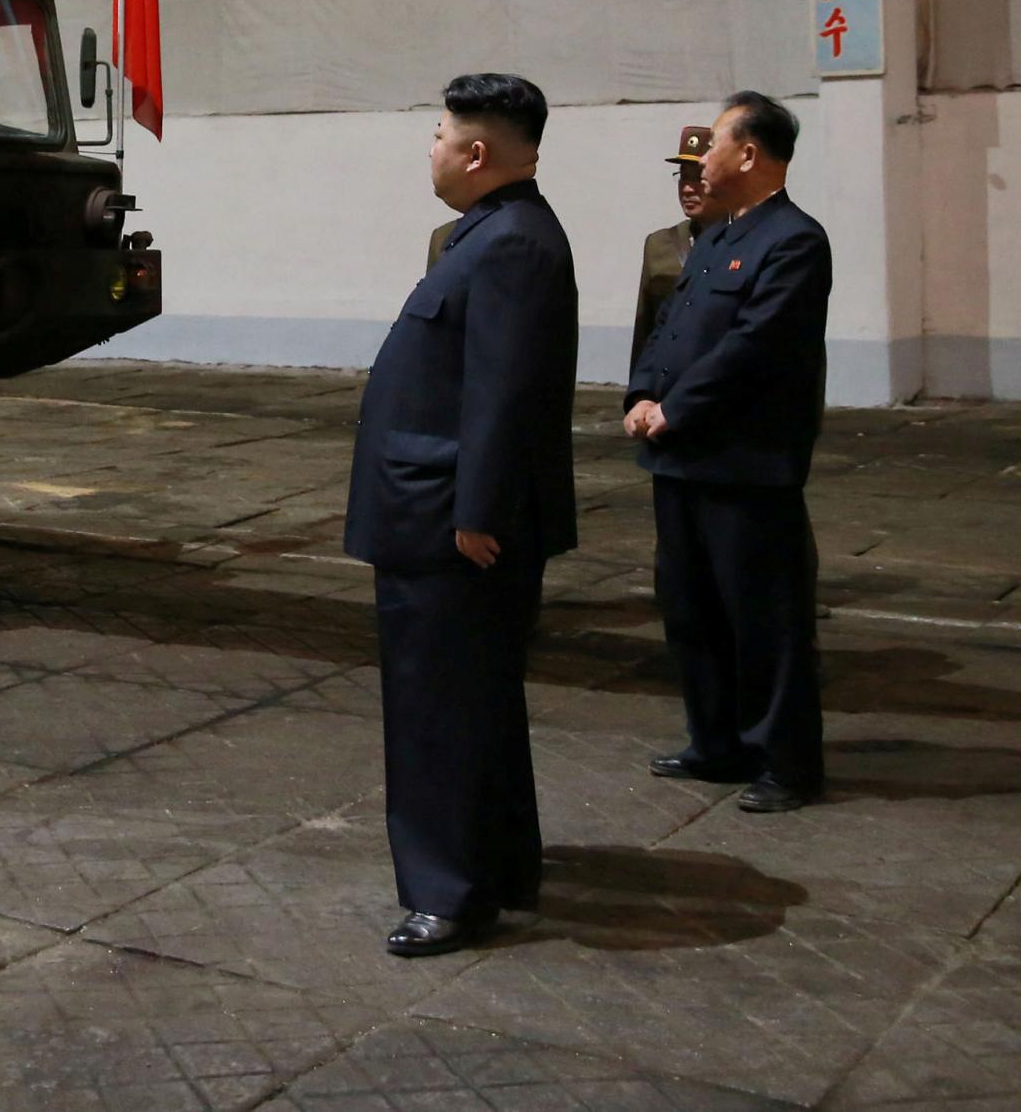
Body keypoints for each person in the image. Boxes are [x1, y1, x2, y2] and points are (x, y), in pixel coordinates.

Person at [346, 73, 578, 956]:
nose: (432, 147)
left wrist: (478, 510)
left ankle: (449, 891)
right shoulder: (494, 231)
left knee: (436, 711)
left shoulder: (510, 242)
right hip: (443, 512)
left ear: (477, 153)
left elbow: (503, 393)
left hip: (451, 523)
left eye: (440, 133)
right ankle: (502, 865)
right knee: (477, 705)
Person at [623, 91, 832, 813]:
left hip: (744, 463)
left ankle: (786, 759)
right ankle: (715, 741)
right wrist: (641, 394)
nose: (700, 159)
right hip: (679, 457)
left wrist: (675, 407)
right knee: (692, 610)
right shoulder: (713, 236)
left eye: (712, 143)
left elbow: (756, 347)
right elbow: (671, 327)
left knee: (764, 618)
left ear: (748, 154)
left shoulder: (795, 240)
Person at [632, 124, 717, 372]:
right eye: (683, 177)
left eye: (698, 177)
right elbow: (644, 328)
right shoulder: (659, 244)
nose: (688, 188)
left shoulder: (746, 243)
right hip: (665, 386)